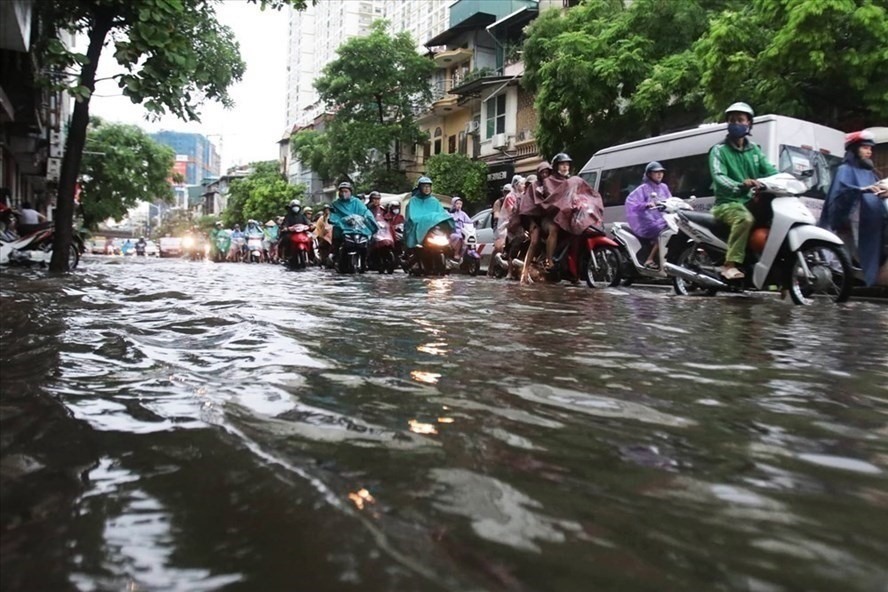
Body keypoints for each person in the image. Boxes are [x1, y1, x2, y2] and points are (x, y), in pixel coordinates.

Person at [708, 102, 778, 280]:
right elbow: (719, 176)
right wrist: (740, 185)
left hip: (749, 201)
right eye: (732, 120)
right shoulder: (719, 150)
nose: (736, 124)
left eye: (740, 120)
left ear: (749, 124)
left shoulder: (754, 150)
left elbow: (771, 171)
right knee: (744, 219)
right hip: (726, 204)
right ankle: (729, 265)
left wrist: (787, 180)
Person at [819, 130, 887, 287]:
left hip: (868, 220)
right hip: (851, 221)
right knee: (845, 252)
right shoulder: (844, 170)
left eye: (870, 149)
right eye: (865, 148)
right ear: (854, 149)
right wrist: (861, 190)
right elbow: (840, 193)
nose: (869, 152)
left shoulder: (869, 172)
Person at [625, 161, 673, 269]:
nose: (659, 174)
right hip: (647, 222)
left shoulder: (664, 187)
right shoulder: (643, 188)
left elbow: (671, 200)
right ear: (649, 174)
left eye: (661, 172)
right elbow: (631, 203)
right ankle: (649, 259)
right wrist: (646, 205)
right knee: (664, 231)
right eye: (656, 172)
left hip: (663, 219)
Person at [403, 176, 453, 253]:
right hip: (417, 228)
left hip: (433, 230)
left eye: (428, 186)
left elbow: (441, 214)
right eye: (424, 186)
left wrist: (447, 218)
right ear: (420, 187)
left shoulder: (434, 201)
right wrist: (425, 220)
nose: (427, 188)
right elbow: (412, 217)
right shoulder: (413, 201)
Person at [328, 182, 378, 258]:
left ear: (350, 192)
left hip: (358, 228)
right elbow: (333, 215)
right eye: (342, 191)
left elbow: (365, 211)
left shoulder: (357, 202)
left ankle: (366, 260)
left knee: (368, 243)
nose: (343, 193)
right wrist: (340, 221)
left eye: (346, 191)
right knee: (337, 238)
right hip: (342, 229)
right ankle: (336, 256)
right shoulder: (335, 204)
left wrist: (368, 219)